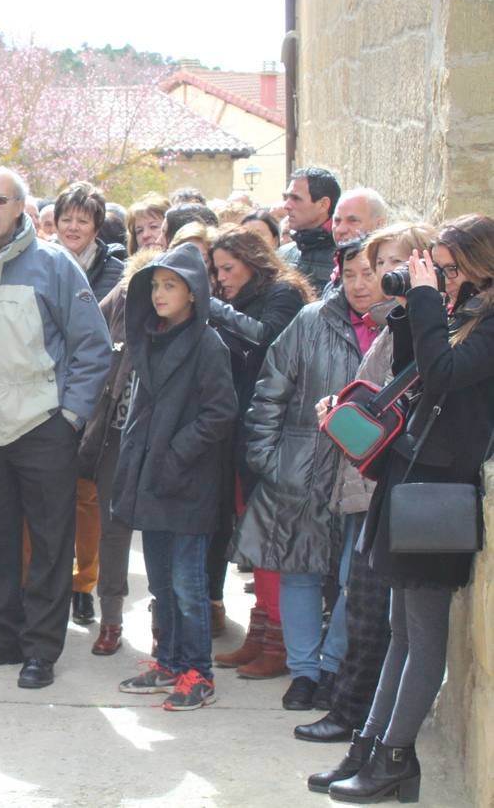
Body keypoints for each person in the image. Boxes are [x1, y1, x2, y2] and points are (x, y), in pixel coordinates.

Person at [317, 216, 494, 802]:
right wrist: (419, 306)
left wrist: (424, 299)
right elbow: (411, 375)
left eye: (448, 269)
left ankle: (393, 758)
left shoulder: (491, 325)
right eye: (436, 268)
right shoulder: (464, 314)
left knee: (422, 637)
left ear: (480, 265)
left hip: (440, 492)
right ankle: (372, 748)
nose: (441, 278)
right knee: (400, 631)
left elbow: (443, 377)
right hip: (414, 479)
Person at [0, 166, 112, 690]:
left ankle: (41, 648)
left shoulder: (54, 266)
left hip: (41, 427)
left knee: (50, 543)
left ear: (21, 209)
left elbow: (91, 347)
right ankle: (1, 637)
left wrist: (69, 418)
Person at [296, 222, 437, 748]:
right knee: (365, 606)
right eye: (378, 264)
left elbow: (413, 402)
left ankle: (355, 720)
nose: (382, 275)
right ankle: (361, 723)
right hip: (369, 480)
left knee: (375, 612)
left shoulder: (418, 324)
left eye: (392, 261)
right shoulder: (392, 322)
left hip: (391, 484)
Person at [230, 239, 383, 712]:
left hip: (367, 474)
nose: (359, 283)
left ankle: (332, 666)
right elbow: (271, 389)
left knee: (350, 578)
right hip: (301, 466)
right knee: (299, 570)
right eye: (351, 272)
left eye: (369, 272)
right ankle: (303, 672)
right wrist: (267, 459)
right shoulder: (312, 320)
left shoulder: (398, 328)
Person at [112, 243, 238, 710]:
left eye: (171, 286)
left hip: (186, 483)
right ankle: (167, 661)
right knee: (161, 583)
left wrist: (176, 451)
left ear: (193, 293)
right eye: (156, 285)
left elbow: (220, 412)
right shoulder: (150, 336)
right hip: (150, 479)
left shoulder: (208, 343)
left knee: (188, 586)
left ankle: (197, 671)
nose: (160, 294)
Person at [203, 228, 313, 653]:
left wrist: (211, 306)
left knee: (268, 533)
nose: (222, 277)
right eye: (216, 270)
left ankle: (278, 640)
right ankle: (262, 630)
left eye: (228, 268)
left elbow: (268, 340)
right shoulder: (235, 300)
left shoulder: (283, 293)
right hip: (241, 429)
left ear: (254, 261)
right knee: (251, 530)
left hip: (273, 432)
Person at [76, 246, 161, 657]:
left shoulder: (187, 324)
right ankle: (110, 620)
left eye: (163, 288)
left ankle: (165, 625)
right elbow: (89, 347)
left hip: (162, 445)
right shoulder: (119, 303)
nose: (154, 297)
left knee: (163, 534)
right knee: (113, 532)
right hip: (115, 435)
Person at [52, 181, 126, 627]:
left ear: (97, 225)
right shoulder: (40, 260)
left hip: (97, 389)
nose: (73, 226)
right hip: (47, 387)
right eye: (66, 218)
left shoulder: (115, 270)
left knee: (86, 497)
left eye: (83, 219)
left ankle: (83, 584)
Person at [279, 165, 341, 293]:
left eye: (296, 198)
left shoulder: (347, 258)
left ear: (323, 204)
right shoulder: (283, 255)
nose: (287, 205)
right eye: (287, 197)